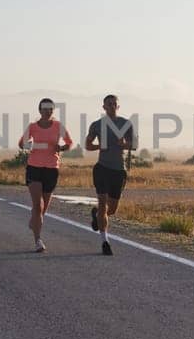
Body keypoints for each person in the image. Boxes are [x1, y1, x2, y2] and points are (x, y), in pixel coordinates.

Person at [18, 98, 73, 253]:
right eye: (44, 109)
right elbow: (22, 143)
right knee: (37, 205)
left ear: (53, 111)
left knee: (43, 209)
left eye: (50, 109)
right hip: (34, 167)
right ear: (40, 110)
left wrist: (61, 147)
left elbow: (69, 142)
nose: (47, 111)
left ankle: (34, 221)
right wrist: (32, 145)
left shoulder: (58, 126)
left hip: (51, 168)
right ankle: (38, 240)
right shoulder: (33, 127)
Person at [85, 93, 135, 256]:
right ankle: (105, 241)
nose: (112, 106)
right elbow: (88, 145)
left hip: (119, 171)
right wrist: (100, 146)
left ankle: (97, 215)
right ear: (104, 107)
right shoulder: (97, 125)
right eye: (109, 104)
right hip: (102, 168)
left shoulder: (126, 123)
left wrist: (124, 144)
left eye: (114, 104)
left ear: (118, 107)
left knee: (111, 209)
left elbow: (134, 145)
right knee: (102, 203)